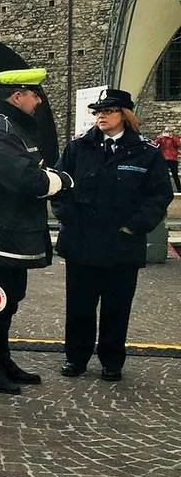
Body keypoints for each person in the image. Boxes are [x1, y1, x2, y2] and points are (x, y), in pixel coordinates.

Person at [0, 68, 73, 395]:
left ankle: (1, 358)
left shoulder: (7, 123)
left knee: (10, 298)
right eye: (35, 95)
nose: (38, 101)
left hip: (9, 228)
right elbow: (25, 177)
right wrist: (63, 182)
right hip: (0, 230)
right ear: (17, 95)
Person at [53, 88, 171, 381]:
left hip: (122, 245)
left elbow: (158, 195)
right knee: (79, 305)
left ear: (125, 115)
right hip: (83, 241)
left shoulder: (145, 153)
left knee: (117, 308)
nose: (101, 116)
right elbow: (59, 185)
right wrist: (68, 217)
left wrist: (136, 225)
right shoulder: (78, 149)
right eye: (98, 112)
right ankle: (76, 358)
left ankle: (112, 360)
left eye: (109, 111)